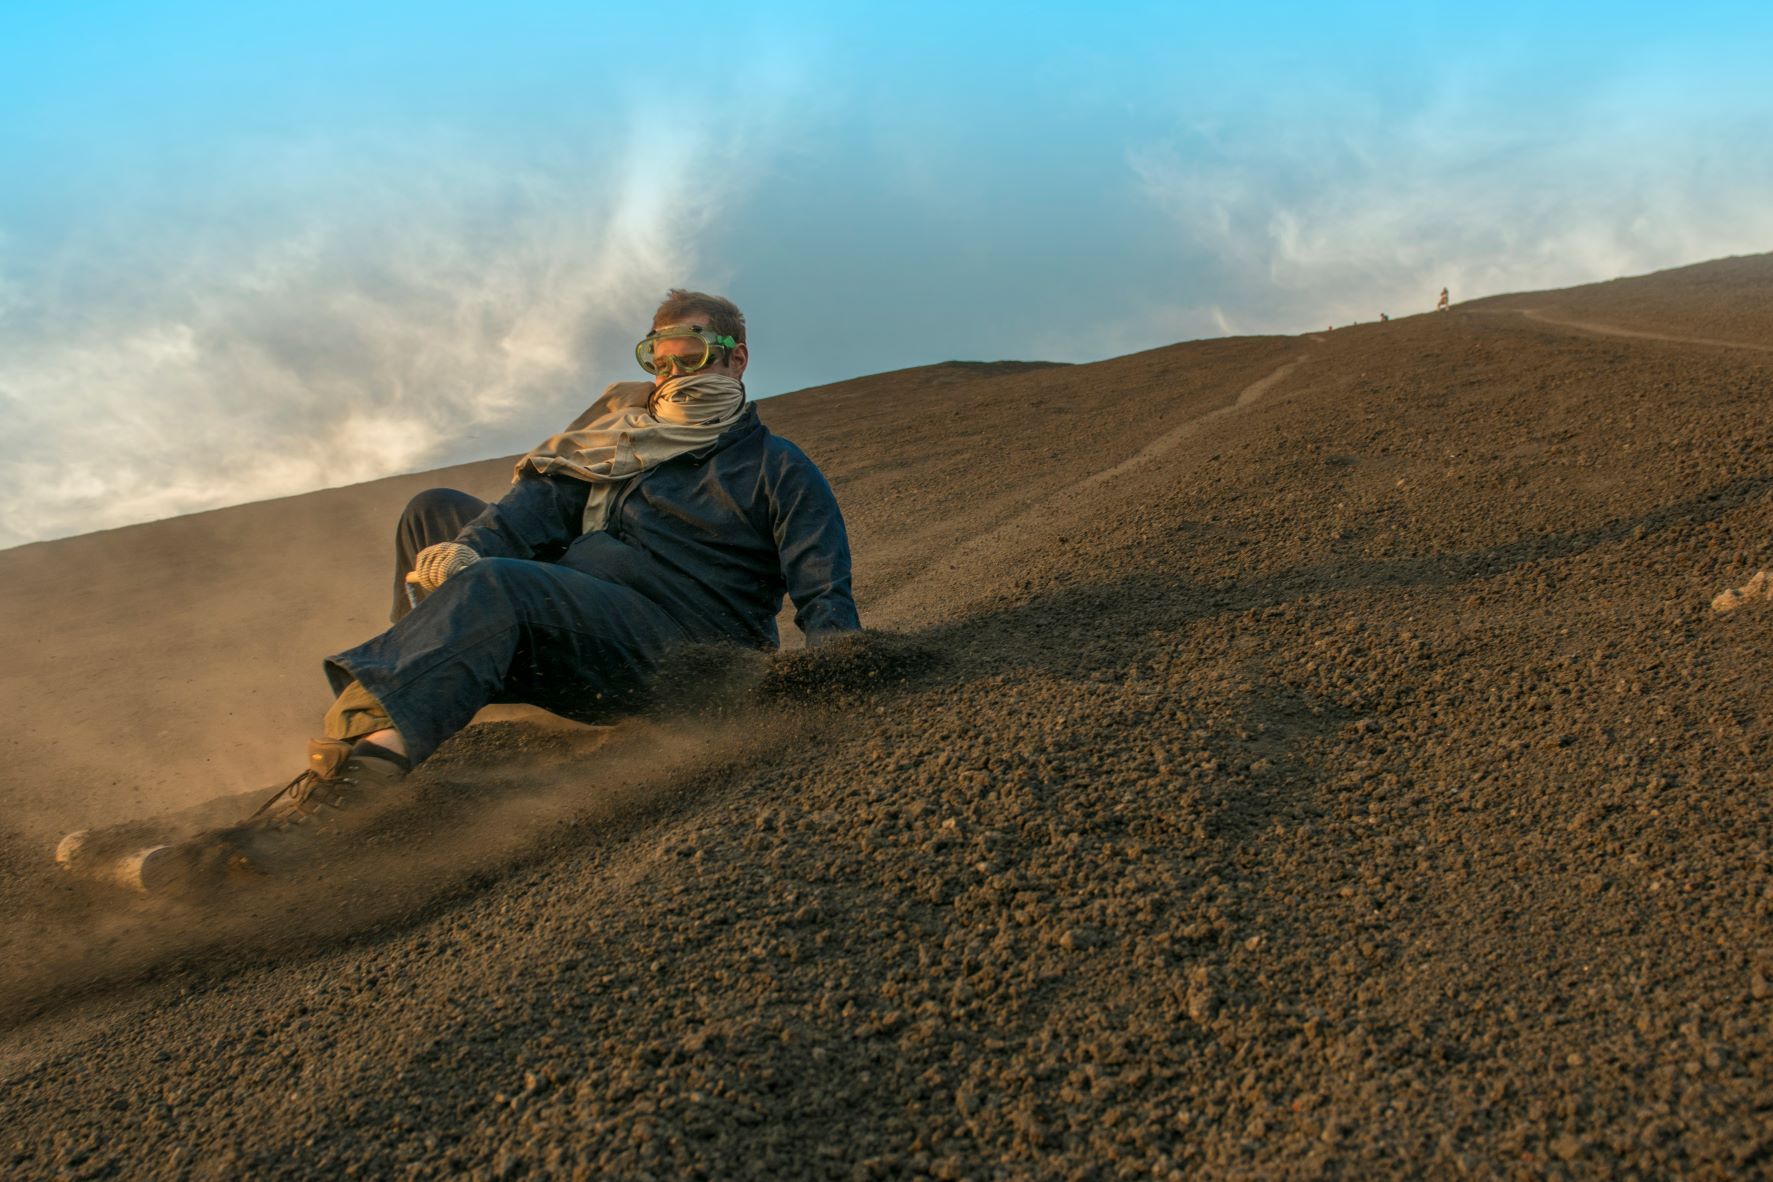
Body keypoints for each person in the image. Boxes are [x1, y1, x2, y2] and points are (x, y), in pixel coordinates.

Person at [67, 289, 861, 892]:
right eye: (658, 355)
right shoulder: (611, 446)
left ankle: (348, 798)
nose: (669, 371)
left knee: (502, 587)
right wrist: (463, 554)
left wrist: (833, 682)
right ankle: (406, 709)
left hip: (681, 655)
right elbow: (517, 518)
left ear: (736, 359)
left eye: (690, 354)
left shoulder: (775, 468)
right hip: (574, 625)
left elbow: (825, 597)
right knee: (436, 515)